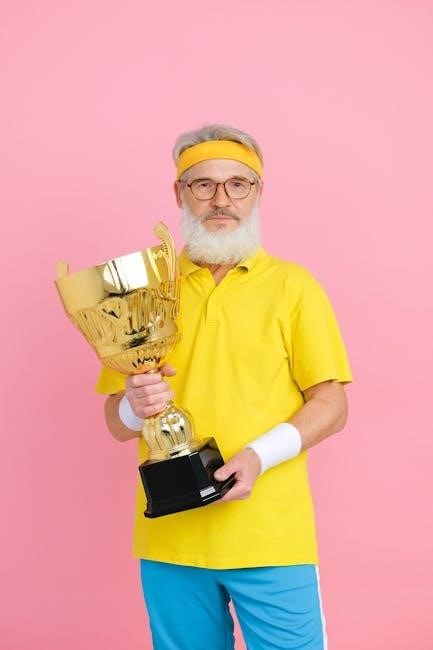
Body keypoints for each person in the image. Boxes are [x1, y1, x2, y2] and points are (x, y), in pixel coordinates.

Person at [97, 124, 352, 649]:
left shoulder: (294, 286)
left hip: (270, 537)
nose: (221, 200)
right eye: (203, 184)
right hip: (170, 537)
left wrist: (259, 455)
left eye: (238, 184)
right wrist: (134, 407)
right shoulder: (143, 289)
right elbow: (116, 422)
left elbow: (332, 403)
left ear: (258, 193)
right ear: (179, 193)